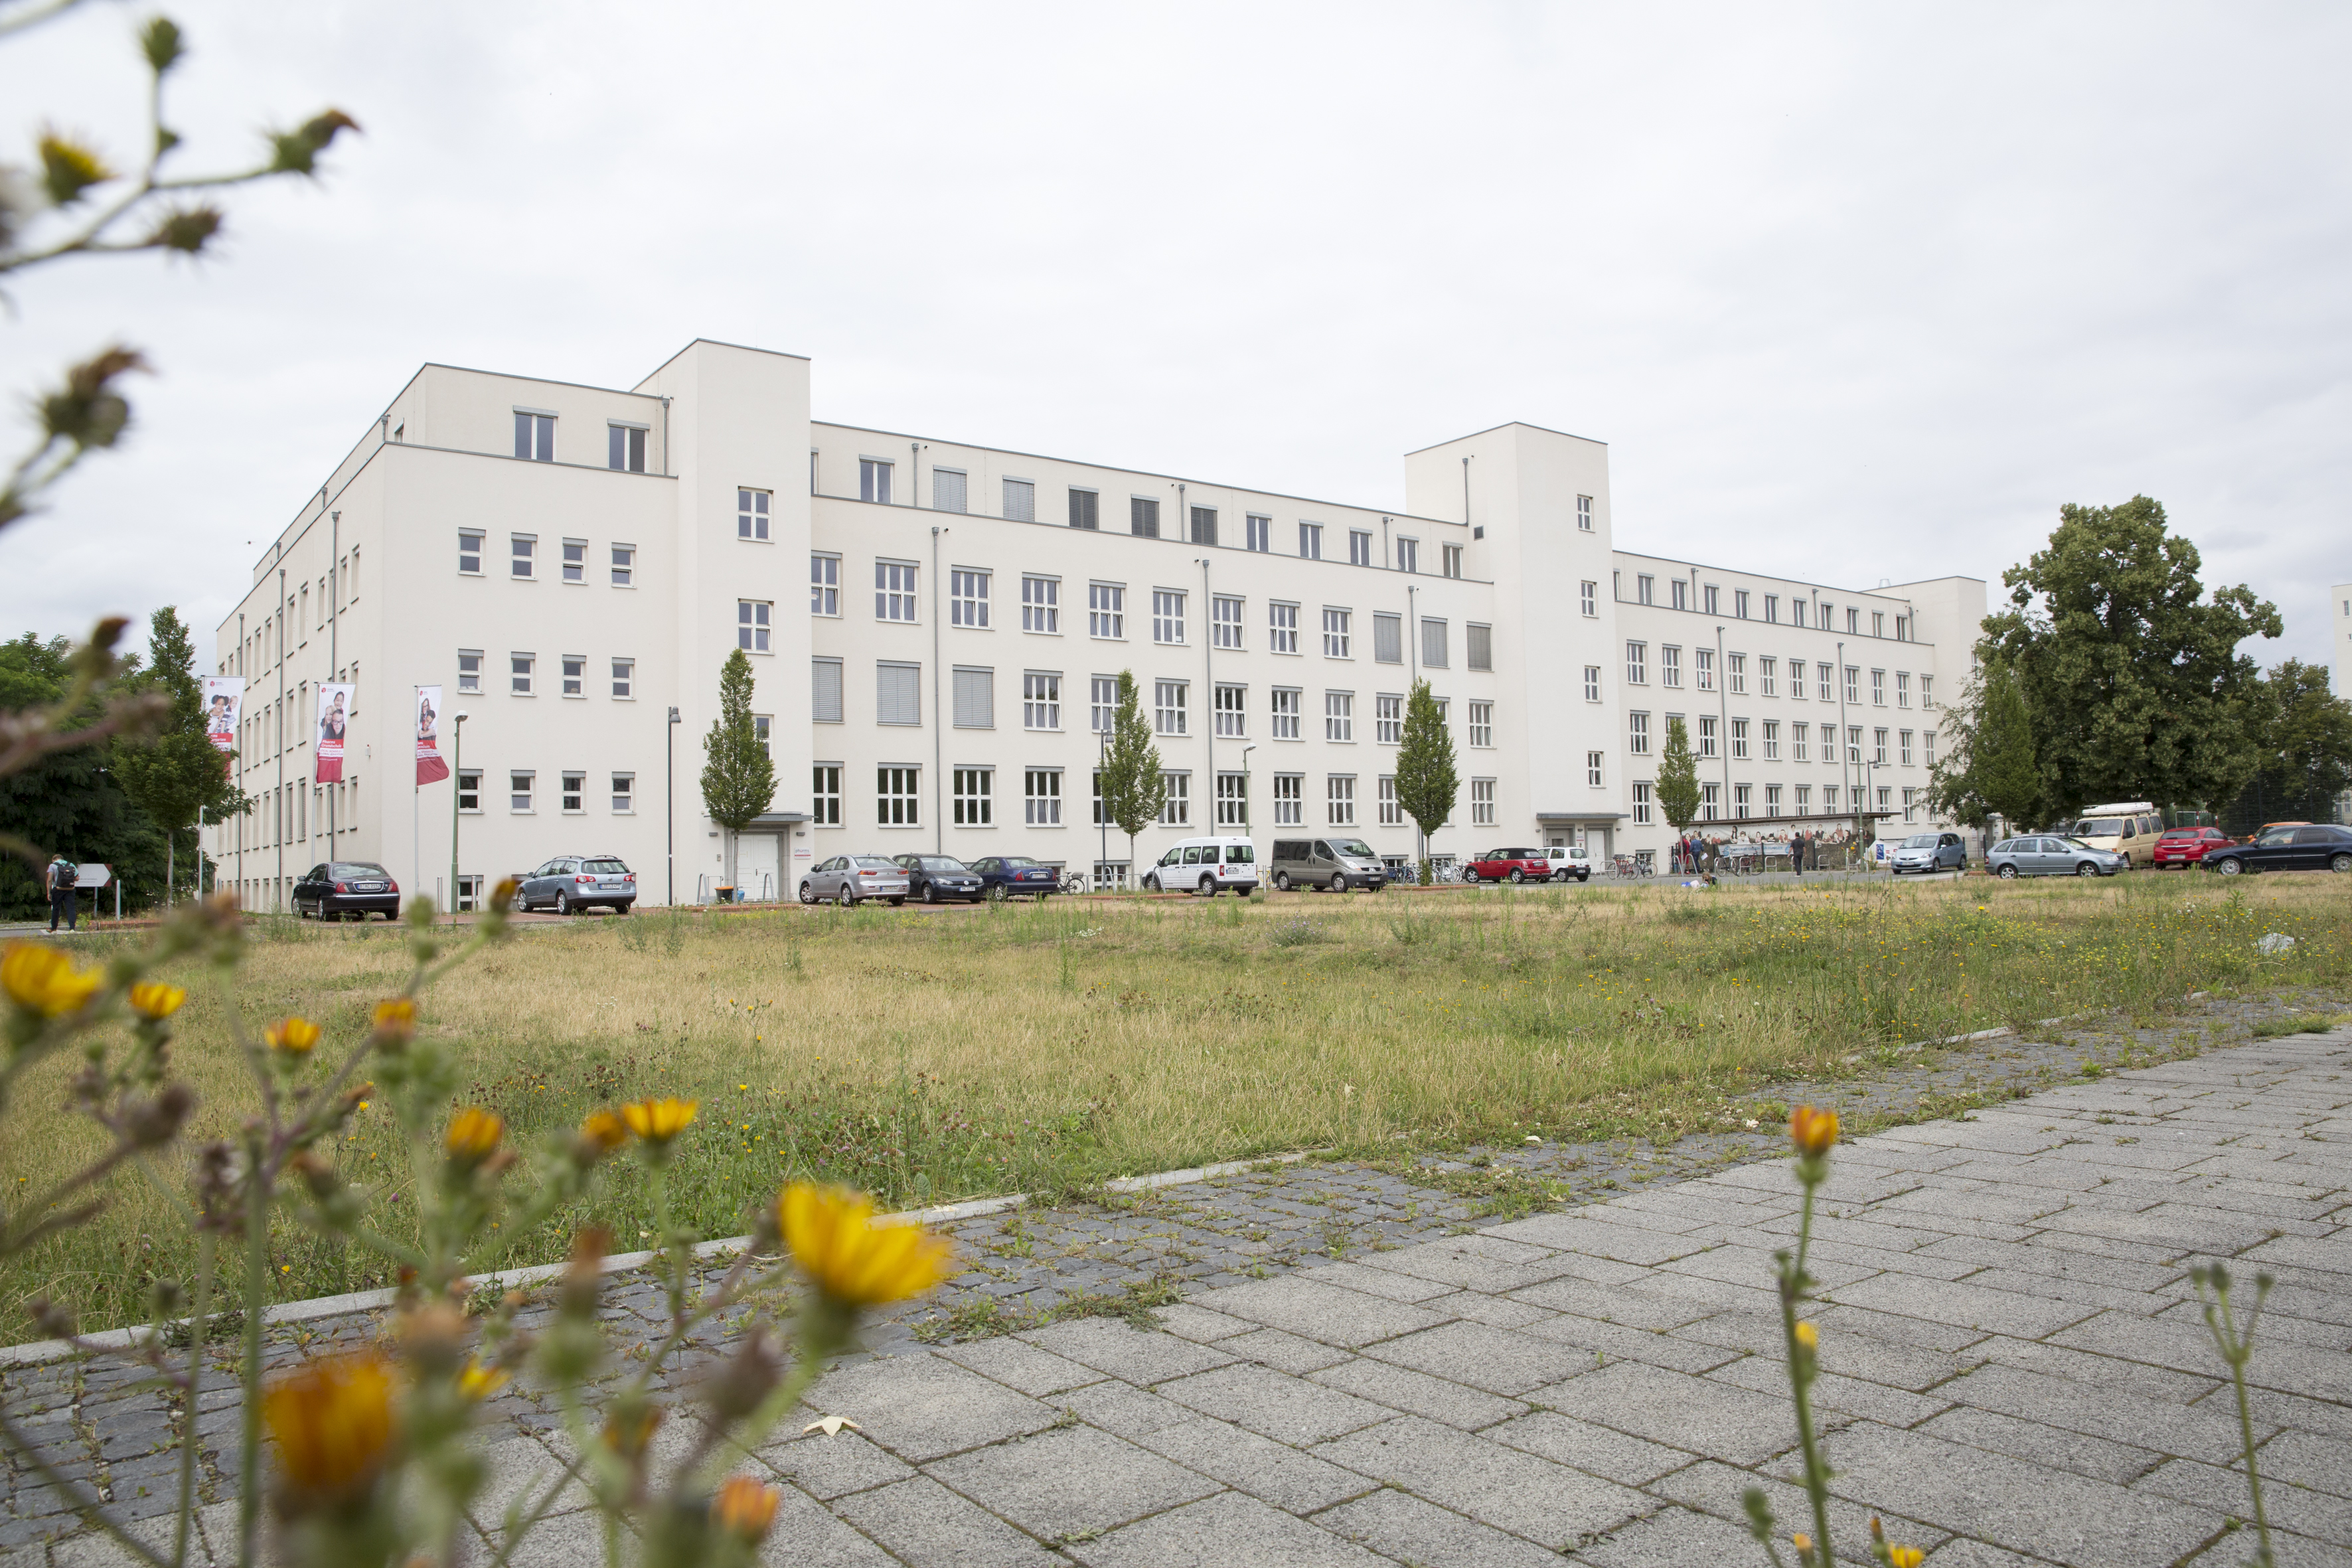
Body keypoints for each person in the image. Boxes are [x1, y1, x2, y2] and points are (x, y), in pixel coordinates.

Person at [46, 853, 78, 932]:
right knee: (71, 908)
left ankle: (53, 928)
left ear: (54, 860)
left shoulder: (53, 866)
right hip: (70, 889)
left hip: (58, 889)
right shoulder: (71, 864)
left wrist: (49, 892)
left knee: (56, 908)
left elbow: (50, 880)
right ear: (62, 859)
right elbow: (77, 878)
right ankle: (72, 928)